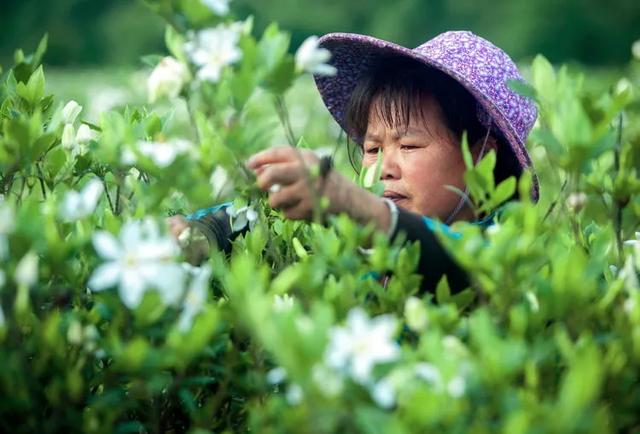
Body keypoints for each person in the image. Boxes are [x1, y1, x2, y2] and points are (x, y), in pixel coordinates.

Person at [168, 30, 539, 294]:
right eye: (373, 149)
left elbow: (463, 265)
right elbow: (248, 223)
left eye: (408, 145)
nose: (383, 168)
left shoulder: (511, 249)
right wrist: (200, 233)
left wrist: (355, 205)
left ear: (482, 158)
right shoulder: (352, 241)